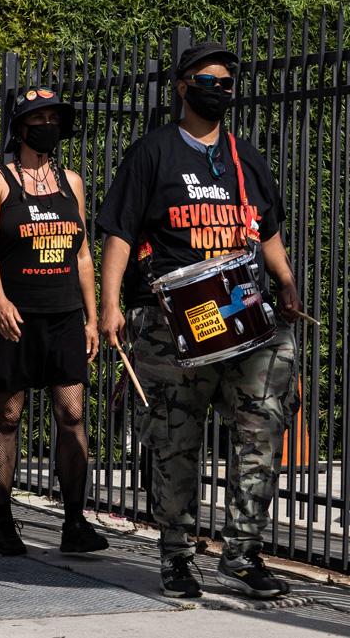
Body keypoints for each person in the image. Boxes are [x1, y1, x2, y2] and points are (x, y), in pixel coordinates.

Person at [98, 42, 299, 600]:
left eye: (227, 83)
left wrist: (285, 281)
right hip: (175, 319)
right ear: (183, 86)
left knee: (262, 429)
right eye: (208, 81)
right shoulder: (152, 153)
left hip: (246, 313)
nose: (220, 90)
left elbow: (267, 229)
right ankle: (176, 555)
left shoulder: (244, 157)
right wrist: (109, 305)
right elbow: (118, 232)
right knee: (175, 438)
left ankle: (242, 552)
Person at [0, 88, 108, 555]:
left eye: (54, 118)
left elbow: (84, 255)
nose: (48, 126)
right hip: (16, 318)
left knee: (72, 414)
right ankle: (2, 520)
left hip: (65, 316)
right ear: (20, 127)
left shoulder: (70, 181)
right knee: (7, 415)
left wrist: (92, 317)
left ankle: (74, 522)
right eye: (39, 118)